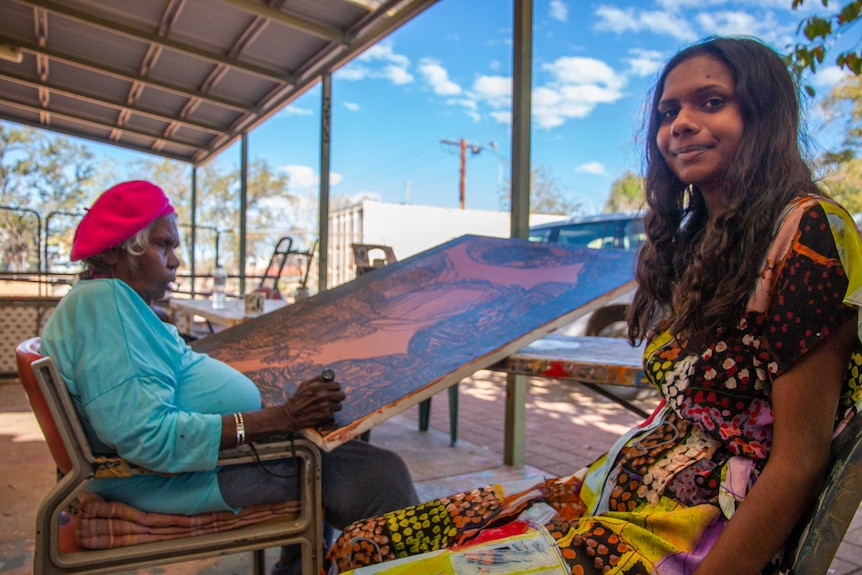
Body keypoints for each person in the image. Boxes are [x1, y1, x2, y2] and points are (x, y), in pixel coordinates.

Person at [323, 36, 862, 575]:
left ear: (764, 113)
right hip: (606, 495)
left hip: (681, 534)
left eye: (711, 102)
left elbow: (799, 459)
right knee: (361, 545)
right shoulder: (704, 236)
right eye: (669, 111)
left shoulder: (809, 231)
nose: (681, 123)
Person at [38, 180, 419, 575]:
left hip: (192, 467)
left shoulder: (110, 304)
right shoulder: (107, 305)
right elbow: (147, 438)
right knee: (381, 475)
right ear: (120, 249)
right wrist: (281, 418)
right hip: (166, 480)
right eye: (163, 245)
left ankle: (297, 568)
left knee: (328, 443)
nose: (175, 261)